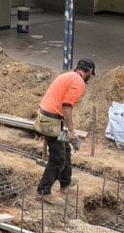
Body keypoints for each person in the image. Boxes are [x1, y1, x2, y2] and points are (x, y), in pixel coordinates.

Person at [34, 58, 96, 203]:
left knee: (65, 149)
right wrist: (72, 131)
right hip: (51, 122)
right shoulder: (79, 82)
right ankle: (43, 191)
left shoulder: (67, 75)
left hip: (51, 118)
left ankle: (65, 182)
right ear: (90, 71)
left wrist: (66, 130)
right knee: (58, 159)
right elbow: (67, 106)